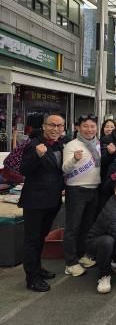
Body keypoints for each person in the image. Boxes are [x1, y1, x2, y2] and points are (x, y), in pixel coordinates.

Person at [19, 113, 66, 292]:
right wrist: (37, 156)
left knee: (41, 237)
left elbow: (58, 171)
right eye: (52, 125)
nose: (55, 129)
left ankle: (37, 268)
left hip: (52, 200)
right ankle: (32, 278)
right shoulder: (34, 145)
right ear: (44, 126)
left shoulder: (61, 145)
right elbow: (24, 170)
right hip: (35, 201)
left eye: (59, 126)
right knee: (32, 239)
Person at [62, 114, 101, 277]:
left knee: (87, 226)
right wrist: (74, 160)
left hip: (94, 189)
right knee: (73, 227)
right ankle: (70, 262)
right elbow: (65, 169)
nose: (89, 129)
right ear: (78, 127)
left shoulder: (98, 144)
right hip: (76, 190)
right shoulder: (72, 145)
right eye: (85, 126)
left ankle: (83, 255)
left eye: (92, 126)